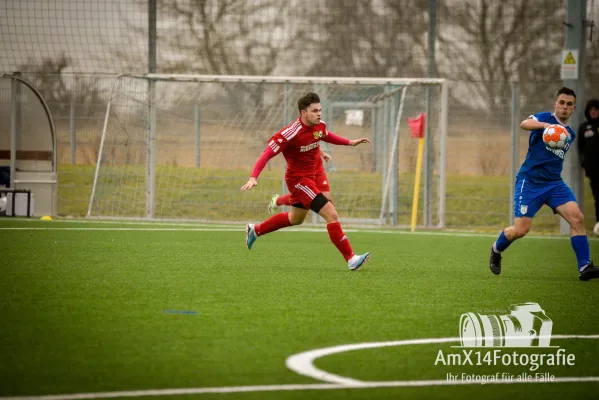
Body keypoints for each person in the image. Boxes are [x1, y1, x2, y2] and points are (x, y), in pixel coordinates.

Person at [240, 92, 371, 270]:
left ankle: (255, 229)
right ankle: (351, 258)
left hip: (309, 178)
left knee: (295, 219)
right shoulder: (289, 133)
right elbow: (267, 154)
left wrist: (350, 142)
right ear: (303, 113)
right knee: (331, 214)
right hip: (298, 181)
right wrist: (253, 177)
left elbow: (326, 135)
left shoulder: (319, 126)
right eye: (315, 111)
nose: (319, 114)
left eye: (320, 110)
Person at [489, 87, 599, 281]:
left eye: (569, 104)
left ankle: (585, 267)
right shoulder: (543, 117)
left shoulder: (569, 134)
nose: (564, 107)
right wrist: (545, 126)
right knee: (521, 230)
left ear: (573, 108)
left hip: (554, 184)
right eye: (561, 103)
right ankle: (496, 249)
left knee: (577, 218)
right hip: (530, 182)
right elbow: (524, 123)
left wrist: (557, 131)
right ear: (555, 104)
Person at [268, 148, 332, 215]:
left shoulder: (313, 138)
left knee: (326, 197)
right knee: (302, 197)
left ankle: (334, 221)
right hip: (305, 171)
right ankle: (278, 201)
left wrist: (322, 154)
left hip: (318, 169)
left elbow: (314, 143)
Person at [577, 98, 599, 234]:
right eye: (591, 110)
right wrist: (585, 164)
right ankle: (598, 224)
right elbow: (580, 149)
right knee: (598, 197)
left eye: (596, 110)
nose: (594, 112)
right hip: (593, 170)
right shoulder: (584, 128)